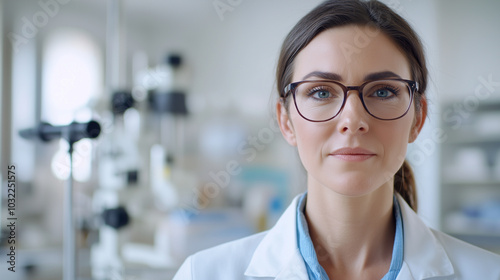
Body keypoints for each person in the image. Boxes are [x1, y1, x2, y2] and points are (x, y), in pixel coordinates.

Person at [173, 0, 500, 279]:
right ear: (286, 121)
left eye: (383, 91)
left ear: (418, 118)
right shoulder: (203, 273)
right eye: (321, 92)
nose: (353, 120)